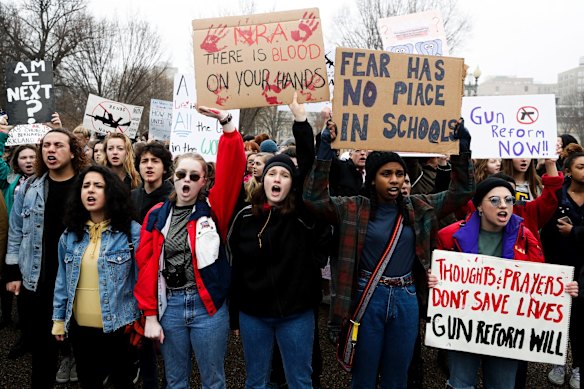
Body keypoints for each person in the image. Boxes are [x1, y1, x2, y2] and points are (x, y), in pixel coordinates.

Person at [303, 120, 475, 387]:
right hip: (368, 296)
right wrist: (325, 146)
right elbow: (314, 199)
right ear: (372, 178)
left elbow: (462, 191)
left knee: (398, 377)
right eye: (386, 174)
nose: (395, 179)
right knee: (364, 376)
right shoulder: (352, 208)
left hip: (406, 299)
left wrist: (462, 148)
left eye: (399, 174)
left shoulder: (419, 207)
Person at [429, 177, 578, 389]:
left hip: (507, 330)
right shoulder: (450, 236)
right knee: (460, 384)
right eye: (495, 200)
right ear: (479, 206)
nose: (503, 206)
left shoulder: (525, 238)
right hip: (464, 326)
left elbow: (540, 281)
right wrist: (433, 279)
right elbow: (440, 278)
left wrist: (562, 289)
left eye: (508, 200)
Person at [134, 106, 245, 389]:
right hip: (169, 306)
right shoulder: (156, 215)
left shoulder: (213, 210)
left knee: (213, 380)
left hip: (206, 307)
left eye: (194, 177)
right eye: (182, 174)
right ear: (173, 176)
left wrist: (227, 125)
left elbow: (233, 170)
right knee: (175, 381)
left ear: (204, 182)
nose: (187, 180)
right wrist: (149, 316)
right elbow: (145, 266)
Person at [228, 96, 323, 389]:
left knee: (299, 380)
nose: (278, 178)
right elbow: (236, 268)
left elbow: (308, 166)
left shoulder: (302, 215)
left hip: (295, 314)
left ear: (292, 183)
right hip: (254, 314)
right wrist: (235, 315)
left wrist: (301, 122)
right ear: (263, 180)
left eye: (284, 174)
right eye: (272, 173)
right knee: (256, 381)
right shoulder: (244, 217)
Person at [5, 126, 89, 388]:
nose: (50, 150)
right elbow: (16, 230)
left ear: (74, 152)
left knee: (86, 353)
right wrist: (13, 273)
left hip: (79, 283)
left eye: (58, 145)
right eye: (46, 146)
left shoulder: (89, 185)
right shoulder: (29, 188)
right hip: (37, 281)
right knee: (42, 354)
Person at [52, 165, 141, 388]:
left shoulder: (132, 232)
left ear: (111, 191)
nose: (90, 191)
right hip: (81, 329)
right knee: (88, 382)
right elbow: (62, 280)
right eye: (86, 186)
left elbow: (143, 280)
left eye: (98, 186)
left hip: (120, 328)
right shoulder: (70, 234)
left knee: (122, 382)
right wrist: (59, 320)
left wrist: (146, 318)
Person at [541, 144, 584, 389]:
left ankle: (578, 365)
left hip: (583, 270)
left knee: (580, 318)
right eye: (581, 167)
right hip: (556, 265)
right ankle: (557, 361)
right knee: (556, 315)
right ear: (567, 171)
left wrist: (575, 232)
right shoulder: (557, 196)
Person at [131, 141, 174, 223]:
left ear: (164, 168)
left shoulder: (173, 198)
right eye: (144, 161)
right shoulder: (131, 197)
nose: (149, 166)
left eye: (155, 161)